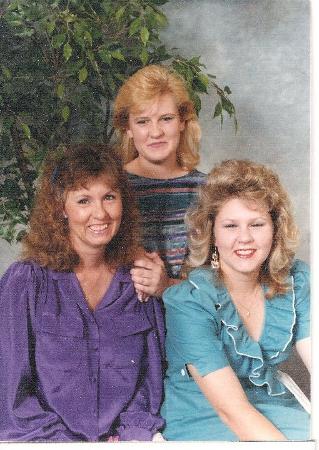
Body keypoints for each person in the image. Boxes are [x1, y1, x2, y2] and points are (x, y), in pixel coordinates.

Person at [0, 144, 165, 442]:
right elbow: (11, 394)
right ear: (61, 208)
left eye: (109, 197)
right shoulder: (26, 284)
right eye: (84, 200)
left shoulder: (139, 281)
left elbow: (150, 381)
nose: (100, 213)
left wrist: (130, 433)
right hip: (41, 443)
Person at [161, 159, 310, 441]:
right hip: (206, 416)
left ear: (275, 229)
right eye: (230, 226)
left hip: (273, 405)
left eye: (257, 224)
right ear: (212, 232)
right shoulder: (189, 300)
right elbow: (233, 412)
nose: (245, 238)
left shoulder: (297, 280)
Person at [113, 64, 207, 298]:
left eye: (166, 119)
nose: (155, 133)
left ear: (183, 122)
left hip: (189, 318)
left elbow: (222, 279)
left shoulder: (209, 190)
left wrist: (167, 286)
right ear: (128, 128)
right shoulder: (110, 188)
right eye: (143, 121)